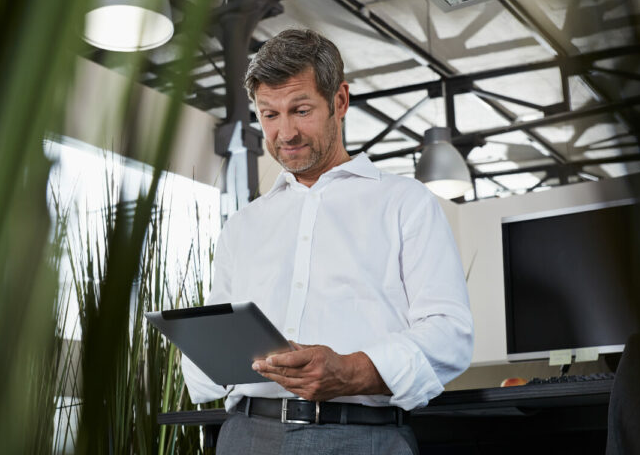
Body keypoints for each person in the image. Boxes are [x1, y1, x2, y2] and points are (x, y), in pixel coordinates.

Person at [182, 28, 474, 455]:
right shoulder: (242, 226)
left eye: (300, 110)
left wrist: (353, 370)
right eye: (269, 114)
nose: (285, 133)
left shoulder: (404, 203)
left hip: (364, 438)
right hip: (245, 437)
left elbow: (451, 335)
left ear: (339, 101)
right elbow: (211, 358)